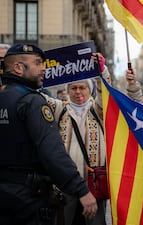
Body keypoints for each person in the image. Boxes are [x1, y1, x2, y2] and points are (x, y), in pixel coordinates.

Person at [0, 43, 98, 224]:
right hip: (27, 200)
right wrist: (80, 189)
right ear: (18, 68)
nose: (43, 69)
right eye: (37, 63)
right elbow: (52, 151)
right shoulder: (31, 102)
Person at [42, 52, 110, 225]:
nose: (78, 91)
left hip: (94, 184)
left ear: (90, 89)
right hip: (66, 183)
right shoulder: (60, 109)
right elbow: (38, 97)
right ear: (67, 91)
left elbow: (106, 92)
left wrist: (102, 71)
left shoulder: (98, 110)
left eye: (82, 87)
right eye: (73, 88)